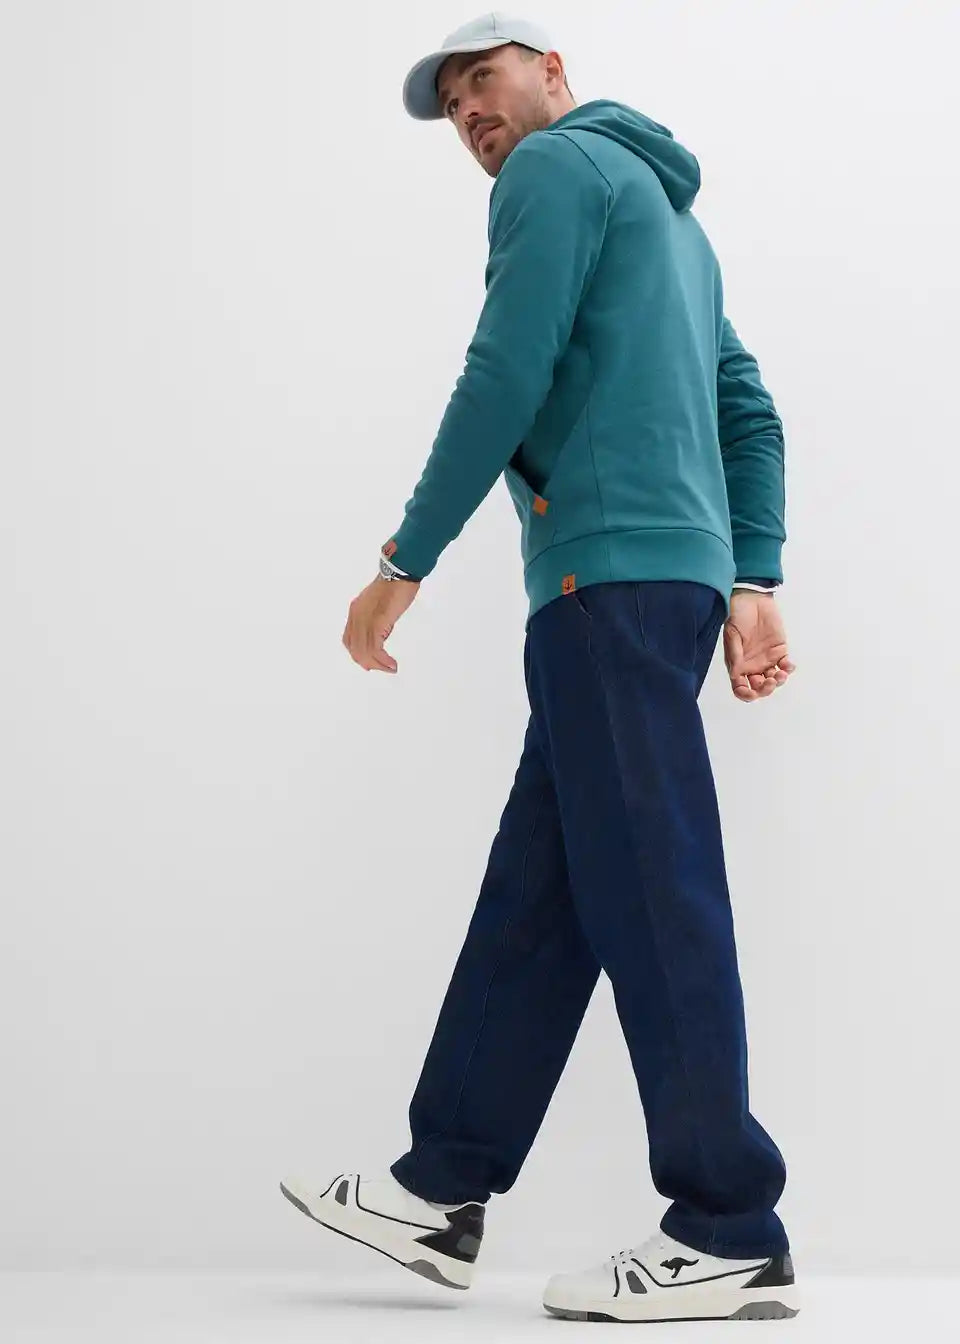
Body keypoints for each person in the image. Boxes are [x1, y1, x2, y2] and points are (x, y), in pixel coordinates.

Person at [282, 11, 799, 1324]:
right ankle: (441, 1187)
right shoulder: (674, 223)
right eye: (452, 102)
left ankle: (728, 1223)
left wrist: (403, 558)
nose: (471, 113)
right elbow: (749, 410)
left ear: (552, 73)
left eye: (484, 80)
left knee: (654, 892)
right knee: (545, 897)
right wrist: (750, 578)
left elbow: (505, 367)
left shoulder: (555, 170)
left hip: (605, 585)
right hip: (658, 585)